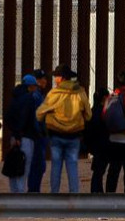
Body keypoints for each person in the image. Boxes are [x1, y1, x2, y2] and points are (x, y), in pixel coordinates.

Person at [36, 63, 92, 193]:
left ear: (61, 78)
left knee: (56, 166)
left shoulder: (54, 93)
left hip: (56, 135)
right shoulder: (80, 92)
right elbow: (89, 115)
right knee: (72, 166)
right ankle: (74, 193)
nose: (54, 79)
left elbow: (39, 113)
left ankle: (54, 193)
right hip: (74, 136)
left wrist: (48, 120)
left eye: (56, 76)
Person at [5, 73, 41, 193]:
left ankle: (14, 192)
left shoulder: (14, 97)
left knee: (14, 165)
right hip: (25, 137)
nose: (36, 88)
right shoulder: (29, 98)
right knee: (24, 166)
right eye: (35, 86)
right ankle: (20, 194)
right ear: (30, 86)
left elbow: (9, 116)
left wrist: (14, 134)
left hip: (15, 136)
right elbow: (26, 118)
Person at [27, 69, 50, 192]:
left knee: (39, 165)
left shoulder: (40, 95)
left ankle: (34, 189)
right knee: (38, 165)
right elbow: (37, 116)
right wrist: (39, 133)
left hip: (40, 134)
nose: (44, 81)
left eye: (44, 78)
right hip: (38, 135)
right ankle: (34, 190)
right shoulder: (36, 95)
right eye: (41, 79)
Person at [87, 86, 111, 193]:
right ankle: (98, 193)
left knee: (98, 171)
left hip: (95, 145)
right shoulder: (104, 112)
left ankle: (97, 191)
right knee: (99, 172)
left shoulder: (92, 111)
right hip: (104, 145)